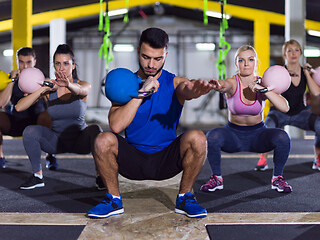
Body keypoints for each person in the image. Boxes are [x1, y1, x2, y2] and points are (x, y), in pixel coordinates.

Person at [87, 27, 215, 219]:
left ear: (166, 54)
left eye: (158, 59)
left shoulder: (174, 82)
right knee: (102, 140)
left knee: (198, 137)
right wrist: (141, 93)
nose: (151, 65)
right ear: (138, 51)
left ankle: (185, 198)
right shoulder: (125, 84)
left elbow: (186, 89)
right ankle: (113, 200)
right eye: (146, 57)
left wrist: (194, 91)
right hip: (133, 160)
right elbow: (115, 126)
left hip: (166, 159)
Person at [200, 45, 293, 193]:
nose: (246, 63)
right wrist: (218, 86)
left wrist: (262, 90)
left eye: (250, 59)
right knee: (212, 136)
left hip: (258, 135)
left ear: (256, 62)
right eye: (241, 60)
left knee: (283, 137)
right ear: (236, 63)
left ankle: (277, 178)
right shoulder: (232, 82)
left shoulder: (264, 83)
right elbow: (224, 85)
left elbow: (285, 107)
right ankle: (216, 178)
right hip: (233, 135)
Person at [15, 44, 102, 190]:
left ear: (73, 65)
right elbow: (19, 107)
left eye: (66, 63)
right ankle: (37, 176)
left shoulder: (83, 85)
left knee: (96, 130)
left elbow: (80, 90)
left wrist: (68, 85)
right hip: (56, 142)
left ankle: (101, 177)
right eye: (57, 63)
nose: (61, 68)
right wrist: (43, 89)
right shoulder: (49, 89)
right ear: (54, 65)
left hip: (80, 140)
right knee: (30, 131)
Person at [254, 39, 320, 171]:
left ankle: (317, 158)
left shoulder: (304, 72)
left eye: (296, 50)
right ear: (284, 54)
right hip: (279, 112)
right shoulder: (278, 72)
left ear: (301, 53)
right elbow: (268, 90)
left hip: (300, 113)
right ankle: (263, 159)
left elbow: (316, 92)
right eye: (289, 51)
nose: (293, 53)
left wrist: (307, 73)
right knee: (267, 127)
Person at [0, 47, 55, 169]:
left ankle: (50, 155)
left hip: (37, 120)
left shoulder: (43, 78)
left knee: (48, 115)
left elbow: (52, 105)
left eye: (28, 62)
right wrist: (12, 81)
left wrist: (44, 87)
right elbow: (2, 103)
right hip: (16, 121)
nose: (25, 66)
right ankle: (0, 157)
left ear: (34, 62)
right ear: (17, 62)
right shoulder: (10, 78)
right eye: (21, 62)